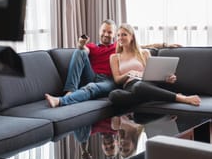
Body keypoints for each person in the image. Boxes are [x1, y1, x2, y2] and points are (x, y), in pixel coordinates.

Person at [45, 19, 182, 108]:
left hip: (109, 80)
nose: (106, 34)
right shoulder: (92, 46)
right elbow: (82, 52)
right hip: (91, 75)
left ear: (114, 34)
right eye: (104, 31)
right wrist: (81, 45)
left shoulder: (119, 46)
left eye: (110, 32)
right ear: (99, 31)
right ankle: (70, 91)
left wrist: (165, 44)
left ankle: (60, 101)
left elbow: (142, 46)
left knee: (92, 87)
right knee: (79, 51)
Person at [109, 23, 201, 107]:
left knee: (139, 86)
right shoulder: (114, 57)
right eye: (118, 35)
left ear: (132, 37)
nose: (120, 37)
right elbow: (117, 80)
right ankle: (155, 97)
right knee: (113, 95)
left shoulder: (144, 53)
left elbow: (153, 73)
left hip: (145, 84)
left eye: (124, 34)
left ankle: (181, 98)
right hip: (129, 88)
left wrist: (166, 78)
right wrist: (129, 73)